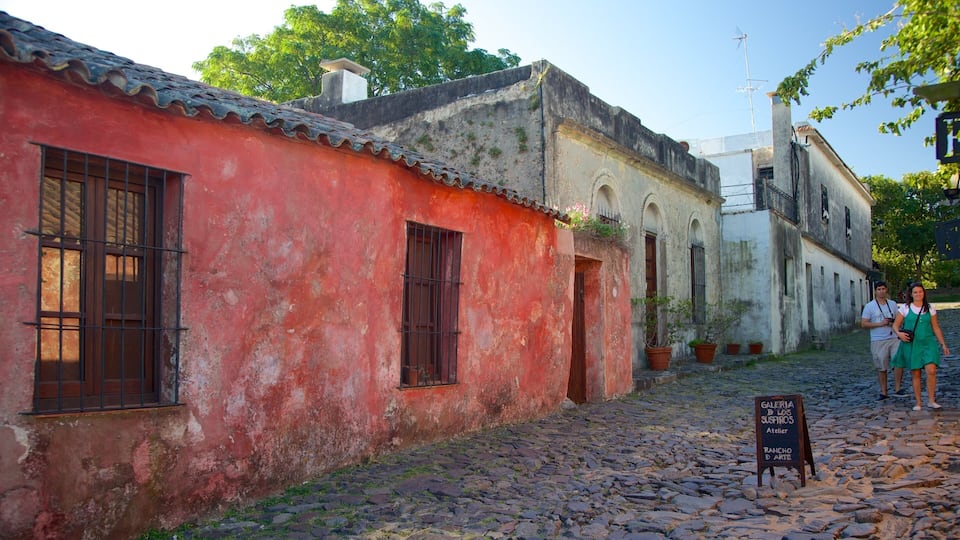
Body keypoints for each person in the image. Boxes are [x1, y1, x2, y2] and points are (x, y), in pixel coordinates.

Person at [891, 283, 949, 411]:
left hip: (928, 343)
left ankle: (931, 400)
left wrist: (943, 343)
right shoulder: (905, 308)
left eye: (920, 292)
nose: (918, 294)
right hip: (912, 344)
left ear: (924, 293)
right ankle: (918, 402)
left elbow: (935, 326)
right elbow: (895, 325)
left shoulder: (929, 308)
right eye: (915, 292)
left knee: (931, 371)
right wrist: (899, 334)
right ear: (911, 294)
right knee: (916, 372)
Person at [860, 281, 903, 400]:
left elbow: (900, 319)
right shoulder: (870, 306)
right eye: (879, 289)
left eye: (883, 289)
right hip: (878, 339)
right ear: (875, 291)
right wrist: (880, 323)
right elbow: (864, 323)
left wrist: (893, 323)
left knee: (898, 362)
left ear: (886, 290)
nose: (881, 291)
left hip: (893, 337)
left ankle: (898, 388)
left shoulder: (893, 304)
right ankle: (884, 391)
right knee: (882, 366)